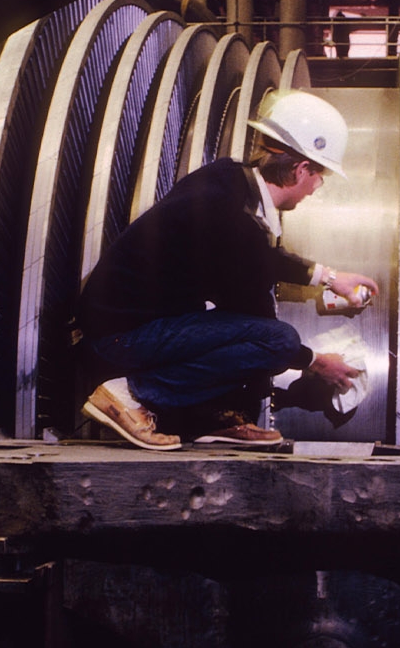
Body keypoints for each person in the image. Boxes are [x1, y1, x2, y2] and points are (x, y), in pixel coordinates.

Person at [74, 89, 381, 450]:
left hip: (127, 329)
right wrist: (313, 361)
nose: (316, 188)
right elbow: (257, 309)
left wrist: (328, 276)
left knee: (266, 334)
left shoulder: (228, 183)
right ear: (301, 169)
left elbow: (257, 273)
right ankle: (127, 394)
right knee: (278, 340)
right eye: (320, 177)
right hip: (117, 340)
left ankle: (208, 416)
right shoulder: (236, 217)